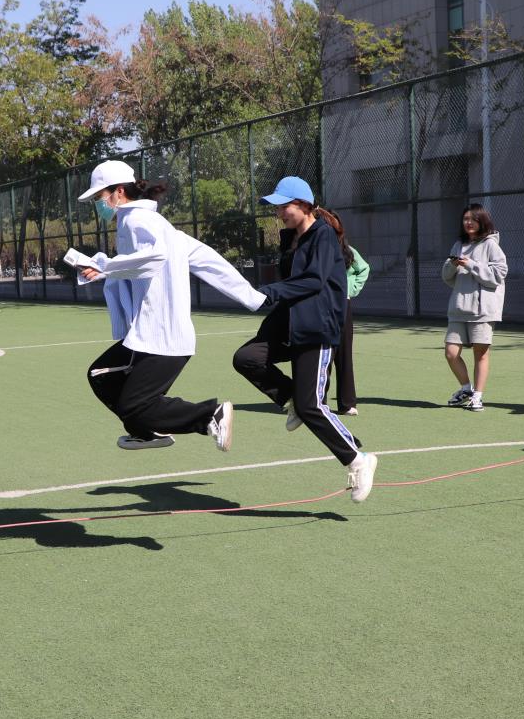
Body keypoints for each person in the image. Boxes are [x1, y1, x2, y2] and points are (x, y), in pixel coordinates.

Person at [74, 160, 265, 451]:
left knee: (134, 404)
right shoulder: (148, 222)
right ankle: (146, 432)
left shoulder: (137, 221)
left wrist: (106, 267)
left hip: (160, 337)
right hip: (149, 334)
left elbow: (155, 258)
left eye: (99, 196)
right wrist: (252, 297)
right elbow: (204, 257)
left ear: (119, 191)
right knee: (102, 377)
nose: (98, 204)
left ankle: (209, 416)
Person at [231, 176, 376, 503]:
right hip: (289, 322)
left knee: (312, 407)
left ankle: (358, 459)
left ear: (304, 205)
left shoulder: (323, 235)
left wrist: (267, 293)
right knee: (246, 358)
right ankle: (291, 398)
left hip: (316, 327)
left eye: (284, 206)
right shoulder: (292, 238)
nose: (279, 212)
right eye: (277, 207)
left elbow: (312, 281)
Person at [442, 204, 508, 412]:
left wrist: (471, 265)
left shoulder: (490, 245)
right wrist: (452, 265)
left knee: (481, 354)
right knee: (451, 353)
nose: (468, 223)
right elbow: (446, 276)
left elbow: (499, 274)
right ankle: (466, 389)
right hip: (458, 309)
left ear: (482, 221)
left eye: (473, 219)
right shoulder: (458, 245)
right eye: (465, 219)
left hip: (482, 311)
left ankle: (478, 396)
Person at [333, 240, 370, 416]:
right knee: (321, 355)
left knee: (344, 354)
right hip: (319, 304)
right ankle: (317, 402)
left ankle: (347, 404)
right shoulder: (313, 247)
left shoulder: (347, 250)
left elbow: (364, 268)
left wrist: (351, 289)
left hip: (342, 304)